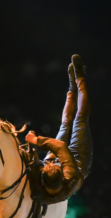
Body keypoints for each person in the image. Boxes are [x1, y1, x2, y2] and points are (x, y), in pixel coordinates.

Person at [25, 54, 92, 204]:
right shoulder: (71, 176)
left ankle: (71, 88)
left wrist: (29, 152)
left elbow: (34, 165)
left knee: (64, 125)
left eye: (47, 165)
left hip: (54, 164)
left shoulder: (42, 183)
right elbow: (60, 147)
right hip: (79, 159)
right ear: (62, 174)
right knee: (80, 118)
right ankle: (79, 78)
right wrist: (36, 140)